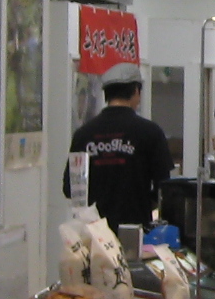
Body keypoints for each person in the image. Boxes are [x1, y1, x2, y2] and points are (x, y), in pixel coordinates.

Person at [66, 63, 175, 228]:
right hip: (135, 229)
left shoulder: (83, 134)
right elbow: (164, 186)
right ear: (136, 92)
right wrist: (146, 203)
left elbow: (70, 188)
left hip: (94, 233)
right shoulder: (150, 132)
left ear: (106, 95)